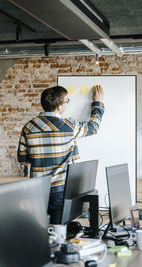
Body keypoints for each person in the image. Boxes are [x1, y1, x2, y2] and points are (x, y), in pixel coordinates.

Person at [17, 85, 104, 223]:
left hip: (38, 191)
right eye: (66, 101)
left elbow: (23, 160)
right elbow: (93, 127)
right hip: (60, 190)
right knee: (59, 231)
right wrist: (97, 103)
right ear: (59, 107)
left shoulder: (28, 127)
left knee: (42, 231)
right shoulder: (69, 126)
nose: (66, 104)